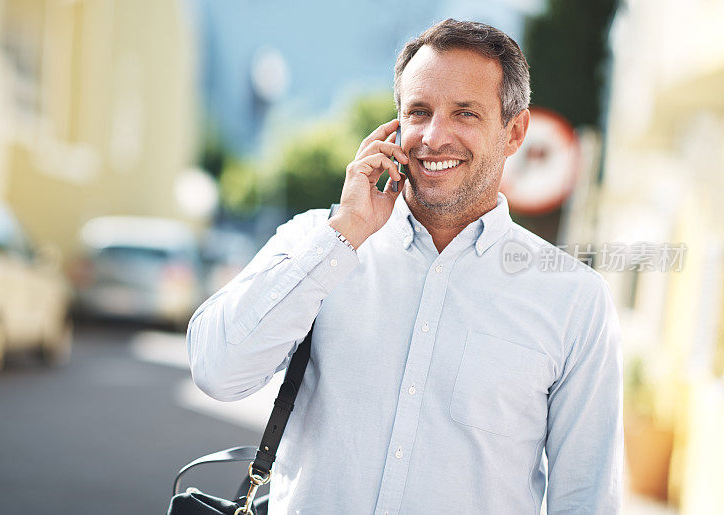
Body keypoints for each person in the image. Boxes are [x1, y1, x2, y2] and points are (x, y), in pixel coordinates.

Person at [188, 19, 622, 514]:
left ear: (514, 131)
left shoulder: (573, 298)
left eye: (466, 114)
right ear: (394, 123)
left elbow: (585, 499)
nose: (435, 137)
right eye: (419, 111)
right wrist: (343, 237)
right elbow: (216, 371)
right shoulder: (317, 239)